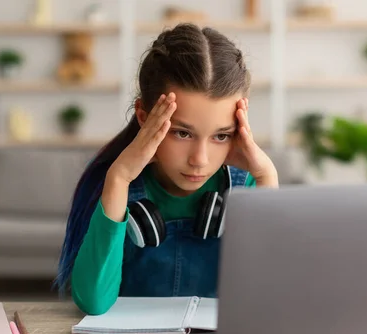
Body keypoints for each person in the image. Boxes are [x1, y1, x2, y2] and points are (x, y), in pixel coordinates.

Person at [55, 23, 279, 315]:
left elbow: (269, 301)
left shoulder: (247, 188)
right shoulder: (115, 185)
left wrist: (266, 177)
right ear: (144, 118)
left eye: (220, 135)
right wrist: (119, 177)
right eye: (182, 133)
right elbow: (93, 303)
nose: (199, 159)